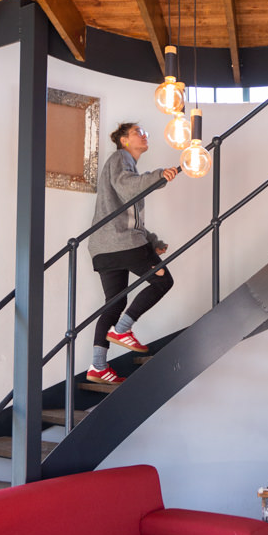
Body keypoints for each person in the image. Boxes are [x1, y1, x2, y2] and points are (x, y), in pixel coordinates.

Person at [87, 122, 178, 384]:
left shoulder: (127, 165)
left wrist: (152, 242)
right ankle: (123, 330)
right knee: (163, 280)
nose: (144, 134)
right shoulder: (120, 158)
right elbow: (128, 186)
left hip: (104, 247)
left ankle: (98, 367)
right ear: (124, 140)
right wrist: (160, 175)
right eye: (138, 132)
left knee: (115, 303)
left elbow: (128, 215)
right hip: (120, 242)